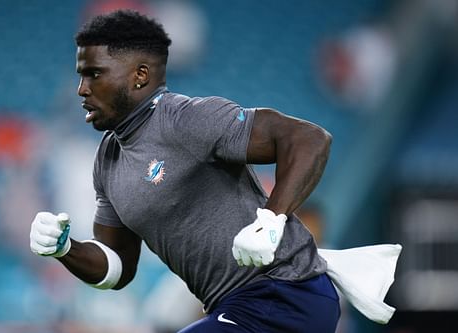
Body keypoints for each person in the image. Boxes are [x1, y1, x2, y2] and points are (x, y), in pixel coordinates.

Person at [30, 10, 340, 332]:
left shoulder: (187, 119)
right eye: (81, 75)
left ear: (139, 75)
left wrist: (272, 221)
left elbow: (310, 139)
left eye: (94, 74)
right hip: (239, 306)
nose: (82, 89)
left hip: (288, 292)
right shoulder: (108, 161)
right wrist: (66, 248)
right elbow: (118, 267)